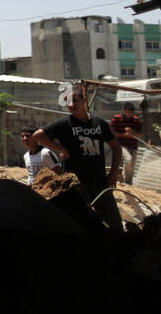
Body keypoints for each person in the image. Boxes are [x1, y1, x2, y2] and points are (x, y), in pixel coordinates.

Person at [33, 84, 124, 229]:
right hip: (75, 185)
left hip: (99, 181)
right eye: (67, 102)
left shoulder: (99, 123)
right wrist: (61, 148)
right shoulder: (64, 124)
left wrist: (113, 174)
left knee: (114, 224)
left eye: (75, 100)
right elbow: (38, 135)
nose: (71, 105)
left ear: (83, 100)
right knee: (77, 224)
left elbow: (117, 148)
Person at [110, 102, 143, 185]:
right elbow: (111, 133)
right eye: (127, 112)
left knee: (131, 165)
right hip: (120, 145)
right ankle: (125, 182)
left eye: (131, 113)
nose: (129, 114)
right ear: (123, 111)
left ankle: (128, 183)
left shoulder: (136, 120)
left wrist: (133, 132)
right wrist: (124, 135)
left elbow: (141, 134)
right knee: (128, 159)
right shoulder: (116, 118)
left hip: (133, 146)